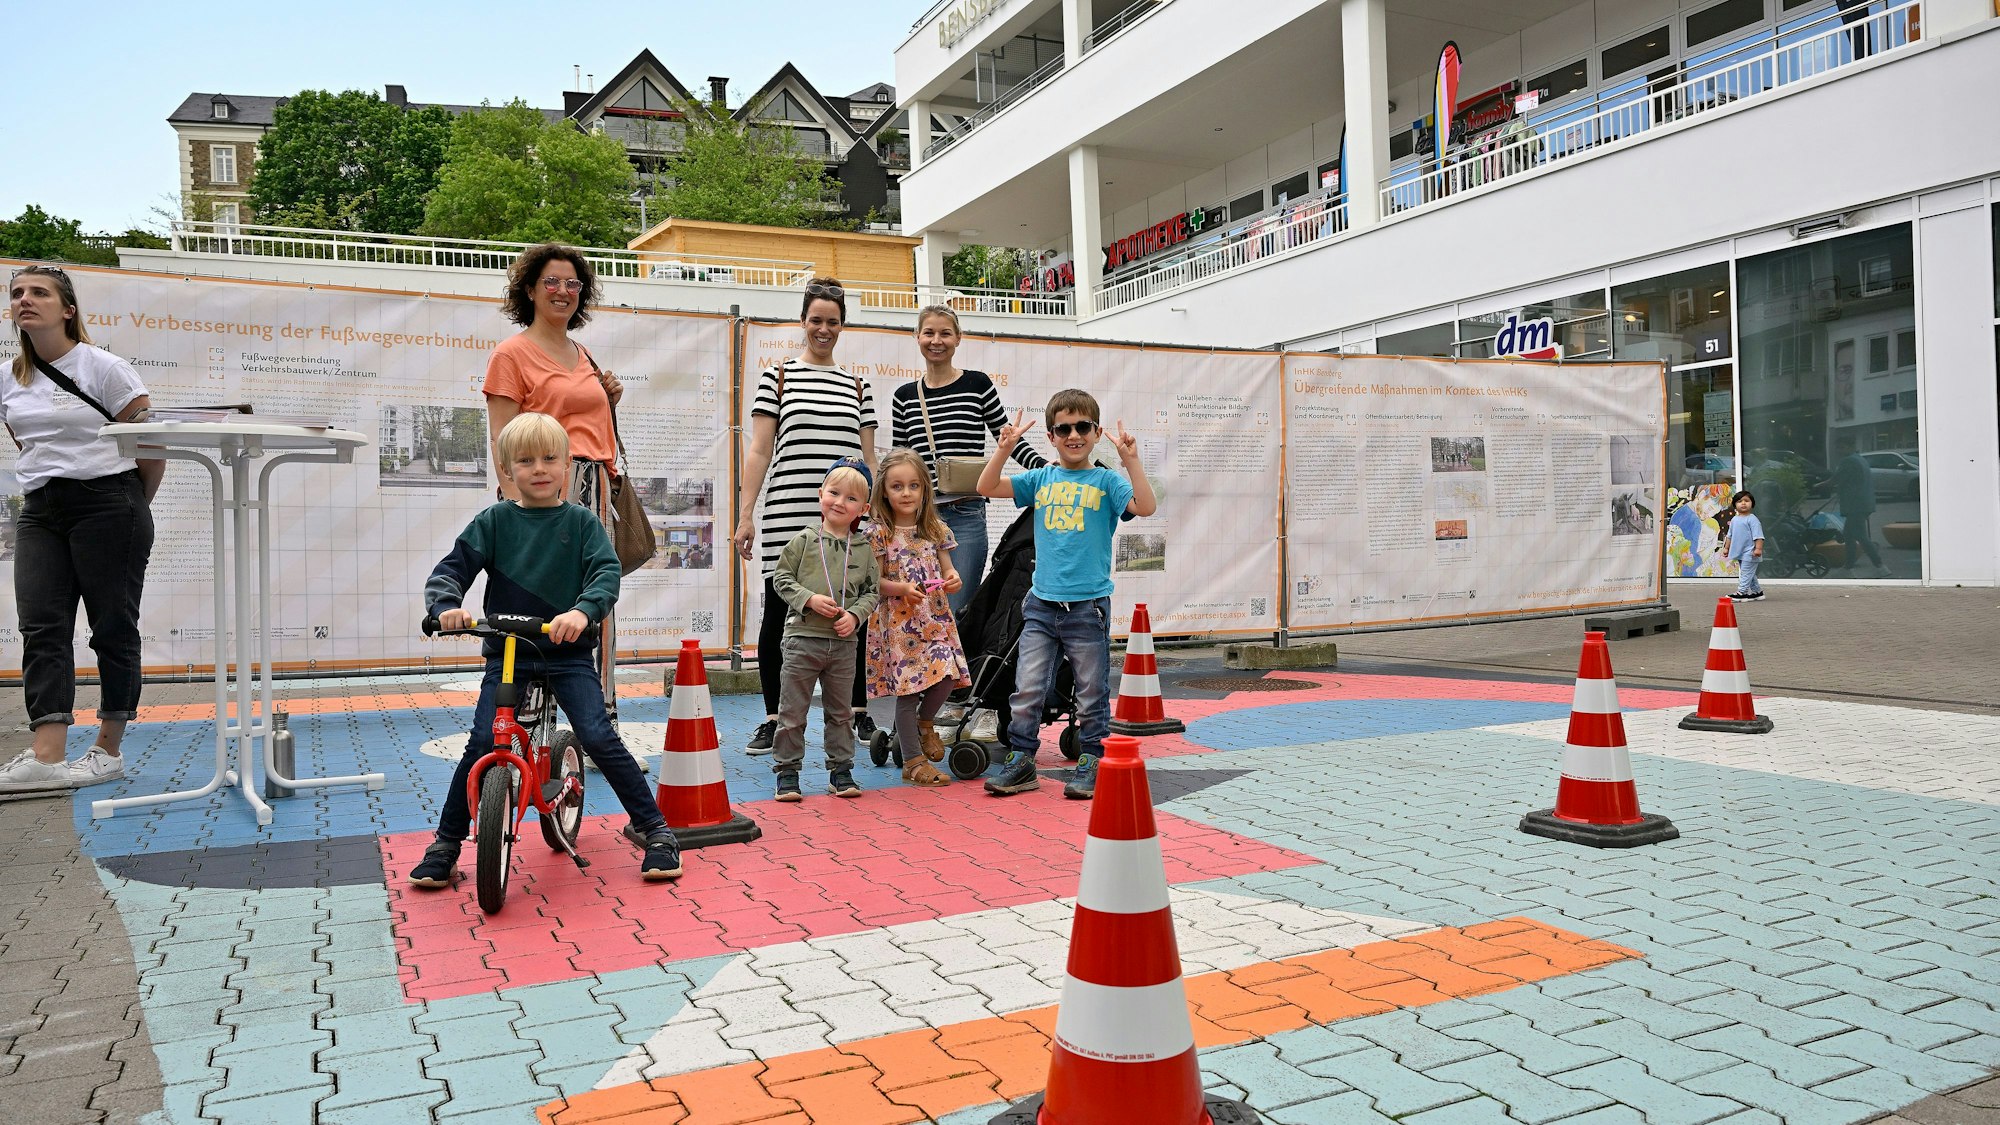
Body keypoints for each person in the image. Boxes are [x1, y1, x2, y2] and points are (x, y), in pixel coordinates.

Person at [408, 412, 680, 886]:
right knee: (480, 744)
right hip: (510, 651)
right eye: (525, 460)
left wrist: (583, 611)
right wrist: (446, 604)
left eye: (550, 458)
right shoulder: (493, 522)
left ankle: (655, 830)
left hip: (567, 652)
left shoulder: (580, 523)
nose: (539, 468)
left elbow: (605, 573)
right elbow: (451, 569)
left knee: (596, 734)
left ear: (567, 463)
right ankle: (446, 844)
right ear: (507, 469)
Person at [0, 266, 162, 796]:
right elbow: (30, 444)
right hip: (42, 507)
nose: (26, 300)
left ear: (67, 308)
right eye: (17, 294)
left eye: (39, 293)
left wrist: (131, 506)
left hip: (108, 502)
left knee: (112, 626)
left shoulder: (105, 368)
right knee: (41, 625)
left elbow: (149, 448)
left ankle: (107, 750)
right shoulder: (9, 376)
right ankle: (47, 756)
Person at [976, 390, 1157, 801]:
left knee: (1091, 690)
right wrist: (1003, 449)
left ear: (1095, 432)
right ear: (1051, 436)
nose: (1073, 435)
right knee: (1026, 688)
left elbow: (1144, 506)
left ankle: (1092, 758)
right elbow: (987, 485)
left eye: (1082, 427)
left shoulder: (1106, 480)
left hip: (1087, 607)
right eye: (1064, 428)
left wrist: (1130, 459)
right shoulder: (1041, 478)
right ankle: (1022, 759)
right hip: (1041, 605)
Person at [482, 244, 629, 720]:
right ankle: (521, 720)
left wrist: (610, 401)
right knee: (533, 603)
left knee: (594, 604)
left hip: (594, 488)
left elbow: (587, 427)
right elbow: (504, 442)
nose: (563, 291)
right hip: (542, 496)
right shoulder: (511, 353)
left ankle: (597, 720)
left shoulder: (582, 353)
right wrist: (516, 511)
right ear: (529, 289)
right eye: (551, 281)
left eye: (572, 284)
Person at [734, 279, 879, 754]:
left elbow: (869, 460)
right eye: (815, 320)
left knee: (850, 610)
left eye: (832, 322)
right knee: (780, 614)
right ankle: (773, 719)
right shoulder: (777, 377)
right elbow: (759, 450)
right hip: (787, 513)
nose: (823, 329)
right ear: (802, 322)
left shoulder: (860, 385)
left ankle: (857, 716)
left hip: (845, 521)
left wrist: (872, 514)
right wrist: (746, 513)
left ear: (842, 326)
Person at [892, 305, 1048, 616]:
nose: (937, 340)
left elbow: (1009, 441)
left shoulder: (977, 385)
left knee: (957, 608)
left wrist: (1048, 470)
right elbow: (899, 461)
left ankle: (957, 667)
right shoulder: (904, 396)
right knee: (916, 608)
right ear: (917, 337)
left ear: (958, 338)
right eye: (929, 332)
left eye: (945, 333)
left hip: (966, 512)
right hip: (921, 516)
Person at [768, 458, 880, 802]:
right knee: (792, 711)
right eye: (834, 493)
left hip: (844, 645)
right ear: (820, 495)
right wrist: (809, 599)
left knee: (841, 713)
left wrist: (857, 616)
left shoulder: (863, 549)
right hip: (802, 640)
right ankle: (787, 773)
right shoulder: (803, 541)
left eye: (851, 498)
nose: (839, 502)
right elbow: (780, 579)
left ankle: (841, 771)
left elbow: (872, 593)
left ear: (864, 507)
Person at [866, 449, 968, 788]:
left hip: (934, 618)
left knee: (948, 674)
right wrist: (901, 588)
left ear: (925, 490)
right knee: (908, 692)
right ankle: (912, 761)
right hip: (898, 624)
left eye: (913, 486)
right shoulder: (879, 532)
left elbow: (950, 572)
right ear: (884, 491)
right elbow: (874, 582)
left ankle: (926, 723)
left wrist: (953, 580)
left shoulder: (935, 529)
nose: (906, 493)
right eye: (897, 486)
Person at [1832, 445, 1893, 578]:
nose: (1837, 451)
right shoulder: (1861, 460)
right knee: (1849, 535)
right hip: (1864, 503)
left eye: (1839, 448)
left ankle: (1880, 566)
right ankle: (1848, 568)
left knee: (1860, 536)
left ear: (1846, 447)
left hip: (1855, 504)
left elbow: (1837, 478)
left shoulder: (1848, 461)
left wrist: (1818, 486)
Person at [1720, 490, 1765, 601]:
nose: (1743, 503)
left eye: (1747, 501)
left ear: (1752, 504)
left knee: (1745, 573)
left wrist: (1758, 548)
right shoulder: (1735, 519)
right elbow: (1729, 536)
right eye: (1740, 501)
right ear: (1735, 504)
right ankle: (1757, 592)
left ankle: (1742, 592)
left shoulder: (1752, 519)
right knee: (1750, 573)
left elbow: (1759, 536)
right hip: (1740, 552)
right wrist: (1726, 548)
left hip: (1750, 552)